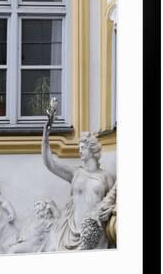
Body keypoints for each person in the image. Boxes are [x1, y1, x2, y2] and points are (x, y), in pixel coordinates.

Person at [40, 98, 116, 251]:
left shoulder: (106, 177)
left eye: (83, 147)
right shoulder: (76, 173)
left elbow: (111, 206)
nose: (79, 150)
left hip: (94, 234)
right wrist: (45, 135)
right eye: (79, 147)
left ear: (92, 149)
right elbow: (50, 163)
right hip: (70, 231)